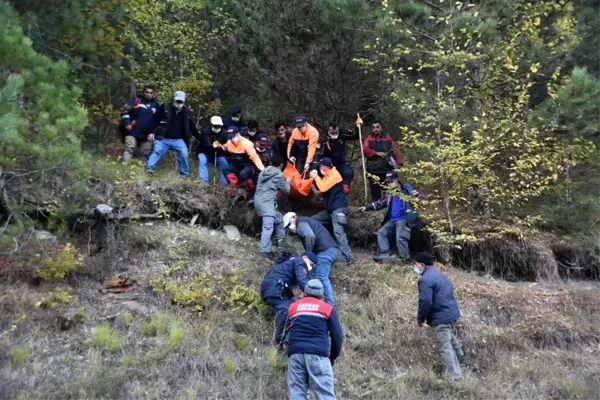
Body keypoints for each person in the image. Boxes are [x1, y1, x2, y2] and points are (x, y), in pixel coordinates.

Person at [286, 279, 343, 400]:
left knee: (296, 394)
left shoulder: (293, 307)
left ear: (305, 293)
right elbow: (337, 336)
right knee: (324, 395)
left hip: (295, 354)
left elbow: (287, 331)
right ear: (322, 295)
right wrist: (333, 356)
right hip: (318, 355)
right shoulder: (327, 309)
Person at [414, 251, 464, 381]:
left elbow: (425, 302)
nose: (415, 267)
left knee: (444, 346)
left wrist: (420, 319)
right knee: (450, 338)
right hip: (452, 313)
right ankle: (461, 358)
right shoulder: (439, 274)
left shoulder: (425, 280)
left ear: (422, 265)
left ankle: (455, 377)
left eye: (416, 264)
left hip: (440, 316)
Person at [358, 171, 423, 263]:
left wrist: (422, 200)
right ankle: (385, 255)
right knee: (382, 232)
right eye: (387, 182)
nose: (389, 183)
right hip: (392, 220)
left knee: (400, 237)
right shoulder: (388, 193)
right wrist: (366, 207)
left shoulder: (406, 189)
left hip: (404, 218)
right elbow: (379, 203)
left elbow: (417, 195)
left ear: (396, 180)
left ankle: (405, 259)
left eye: (391, 181)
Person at [259, 253, 315, 346]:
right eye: (311, 264)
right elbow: (302, 281)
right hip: (275, 289)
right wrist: (312, 296)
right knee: (286, 310)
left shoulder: (290, 262)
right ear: (305, 257)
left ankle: (288, 340)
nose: (311, 267)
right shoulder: (300, 261)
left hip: (272, 288)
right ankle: (280, 343)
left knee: (293, 308)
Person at [283, 212, 338, 306]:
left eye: (289, 224)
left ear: (293, 217)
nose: (289, 227)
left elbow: (310, 236)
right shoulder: (306, 220)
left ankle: (330, 305)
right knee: (312, 273)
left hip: (325, 251)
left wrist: (309, 253)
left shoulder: (301, 223)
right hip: (329, 250)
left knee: (321, 276)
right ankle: (311, 300)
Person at [146, 91, 201, 177]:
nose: (179, 103)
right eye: (177, 101)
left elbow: (192, 127)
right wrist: (151, 132)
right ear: (173, 99)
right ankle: (149, 169)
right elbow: (154, 120)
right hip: (163, 138)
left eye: (181, 101)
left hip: (179, 140)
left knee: (184, 155)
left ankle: (184, 175)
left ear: (184, 101)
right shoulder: (164, 107)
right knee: (157, 151)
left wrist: (200, 138)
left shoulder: (186, 112)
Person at [309, 158, 352, 266]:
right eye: (319, 167)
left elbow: (323, 188)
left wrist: (316, 177)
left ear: (327, 167)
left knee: (339, 233)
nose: (320, 169)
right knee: (313, 221)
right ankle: (320, 247)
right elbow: (320, 190)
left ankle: (347, 258)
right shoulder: (327, 176)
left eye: (322, 167)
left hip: (338, 209)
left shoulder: (335, 175)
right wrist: (313, 181)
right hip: (330, 210)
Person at [255, 155, 291, 259]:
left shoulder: (263, 171)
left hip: (258, 201)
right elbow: (286, 190)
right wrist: (287, 181)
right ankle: (264, 252)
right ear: (281, 165)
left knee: (279, 219)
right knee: (268, 227)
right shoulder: (279, 174)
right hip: (267, 204)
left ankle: (280, 244)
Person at [362, 120, 404, 200]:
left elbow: (395, 150)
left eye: (377, 127)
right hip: (373, 169)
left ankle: (390, 205)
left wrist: (399, 162)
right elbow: (364, 149)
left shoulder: (388, 138)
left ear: (381, 128)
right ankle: (376, 207)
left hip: (387, 168)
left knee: (390, 191)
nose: (375, 129)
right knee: (375, 193)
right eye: (373, 127)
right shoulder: (368, 139)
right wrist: (376, 153)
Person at [219, 126, 265, 197]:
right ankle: (235, 187)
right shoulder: (229, 142)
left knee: (243, 174)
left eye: (233, 136)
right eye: (230, 137)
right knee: (225, 169)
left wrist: (262, 169)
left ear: (237, 134)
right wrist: (219, 145)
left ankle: (251, 192)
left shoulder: (247, 143)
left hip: (248, 166)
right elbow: (225, 147)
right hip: (237, 166)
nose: (232, 138)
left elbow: (255, 157)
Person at [314, 123, 358, 194]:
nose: (334, 134)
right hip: (328, 166)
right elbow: (317, 154)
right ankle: (321, 191)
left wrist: (358, 126)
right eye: (332, 133)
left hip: (340, 164)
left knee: (348, 172)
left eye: (336, 132)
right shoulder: (323, 139)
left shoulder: (342, 135)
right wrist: (316, 165)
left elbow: (355, 136)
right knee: (319, 172)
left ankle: (344, 189)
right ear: (328, 131)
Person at [120, 85, 159, 163]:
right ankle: (124, 168)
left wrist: (152, 133)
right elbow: (125, 112)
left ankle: (141, 172)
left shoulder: (156, 105)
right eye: (147, 92)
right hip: (132, 131)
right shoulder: (135, 101)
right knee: (129, 149)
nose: (149, 94)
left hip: (146, 135)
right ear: (143, 92)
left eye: (151, 93)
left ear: (153, 94)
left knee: (145, 153)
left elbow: (157, 121)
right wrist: (127, 123)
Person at [197, 116, 230, 186]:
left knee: (225, 165)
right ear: (212, 124)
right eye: (215, 126)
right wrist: (212, 145)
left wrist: (221, 145)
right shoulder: (206, 131)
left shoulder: (225, 133)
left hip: (218, 154)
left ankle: (223, 186)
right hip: (205, 152)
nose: (217, 127)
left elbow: (227, 143)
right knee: (202, 161)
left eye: (219, 126)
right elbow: (206, 143)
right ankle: (204, 183)